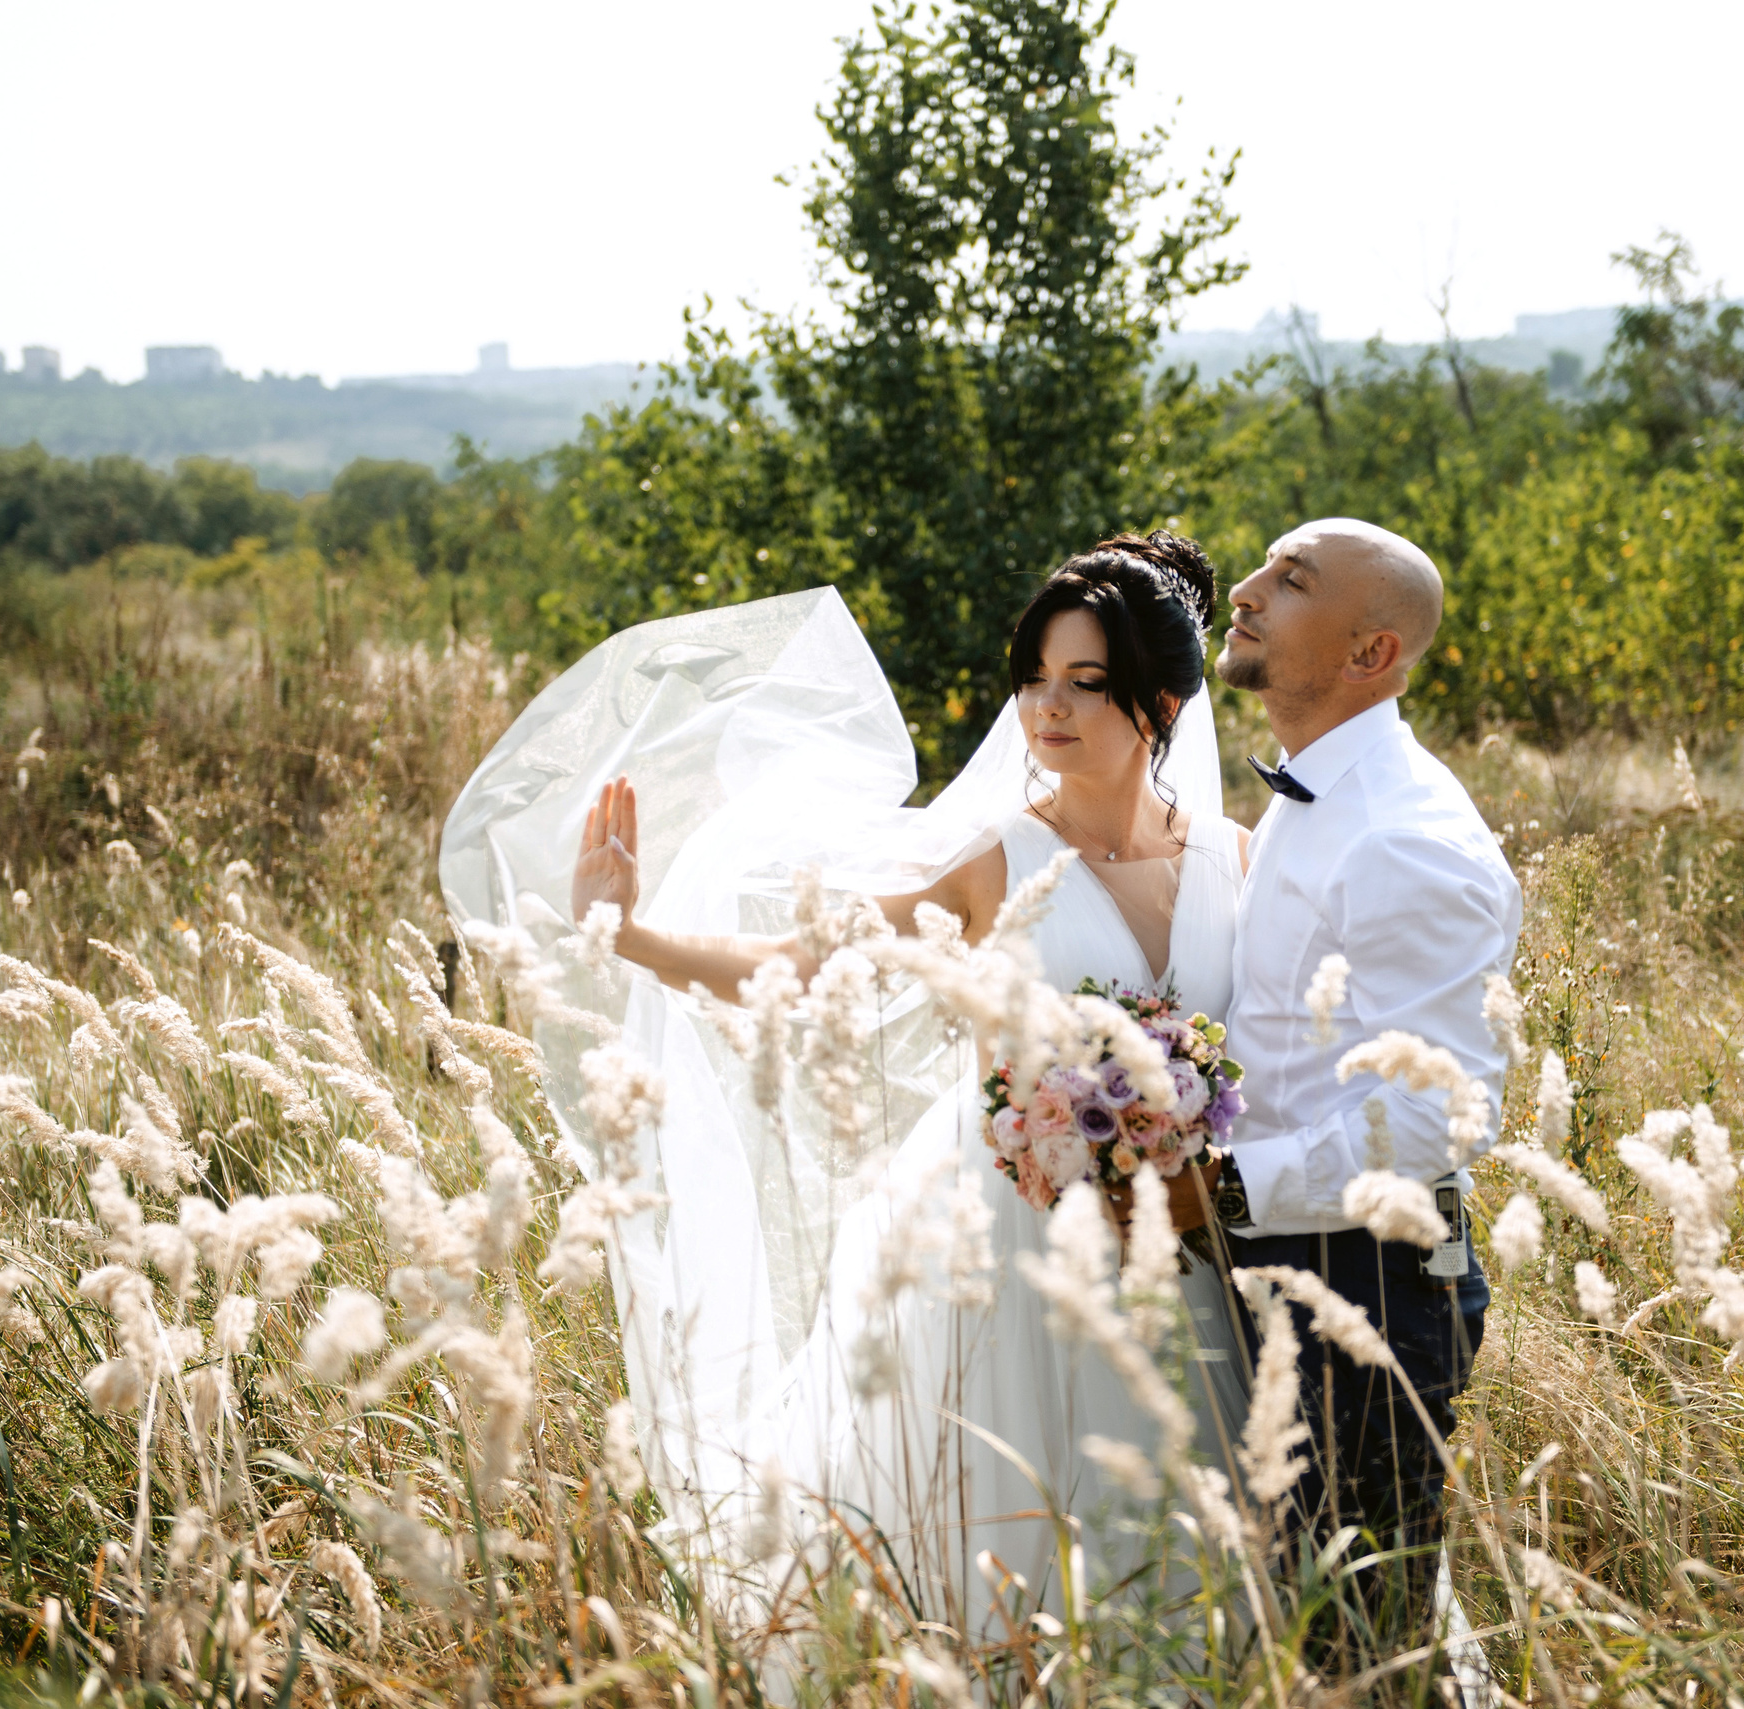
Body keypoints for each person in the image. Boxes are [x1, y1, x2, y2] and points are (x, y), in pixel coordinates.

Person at [447, 533, 1251, 1630]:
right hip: (1012, 1237)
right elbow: (800, 965)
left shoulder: (1236, 859)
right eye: (1034, 678)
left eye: (1085, 681)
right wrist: (629, 934)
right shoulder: (997, 863)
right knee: (1007, 1520)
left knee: (1186, 1520)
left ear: (1161, 701)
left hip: (1187, 1233)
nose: (1046, 707)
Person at [1153, 516, 1519, 1555]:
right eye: (1266, 566)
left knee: (1357, 1611)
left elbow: (1435, 1115)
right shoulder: (1318, 791)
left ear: (1371, 653)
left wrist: (1224, 1189)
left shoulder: (1404, 835)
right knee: (1289, 1595)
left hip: (1371, 1284)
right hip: (1285, 1260)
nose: (1246, 589)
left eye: (1293, 579)